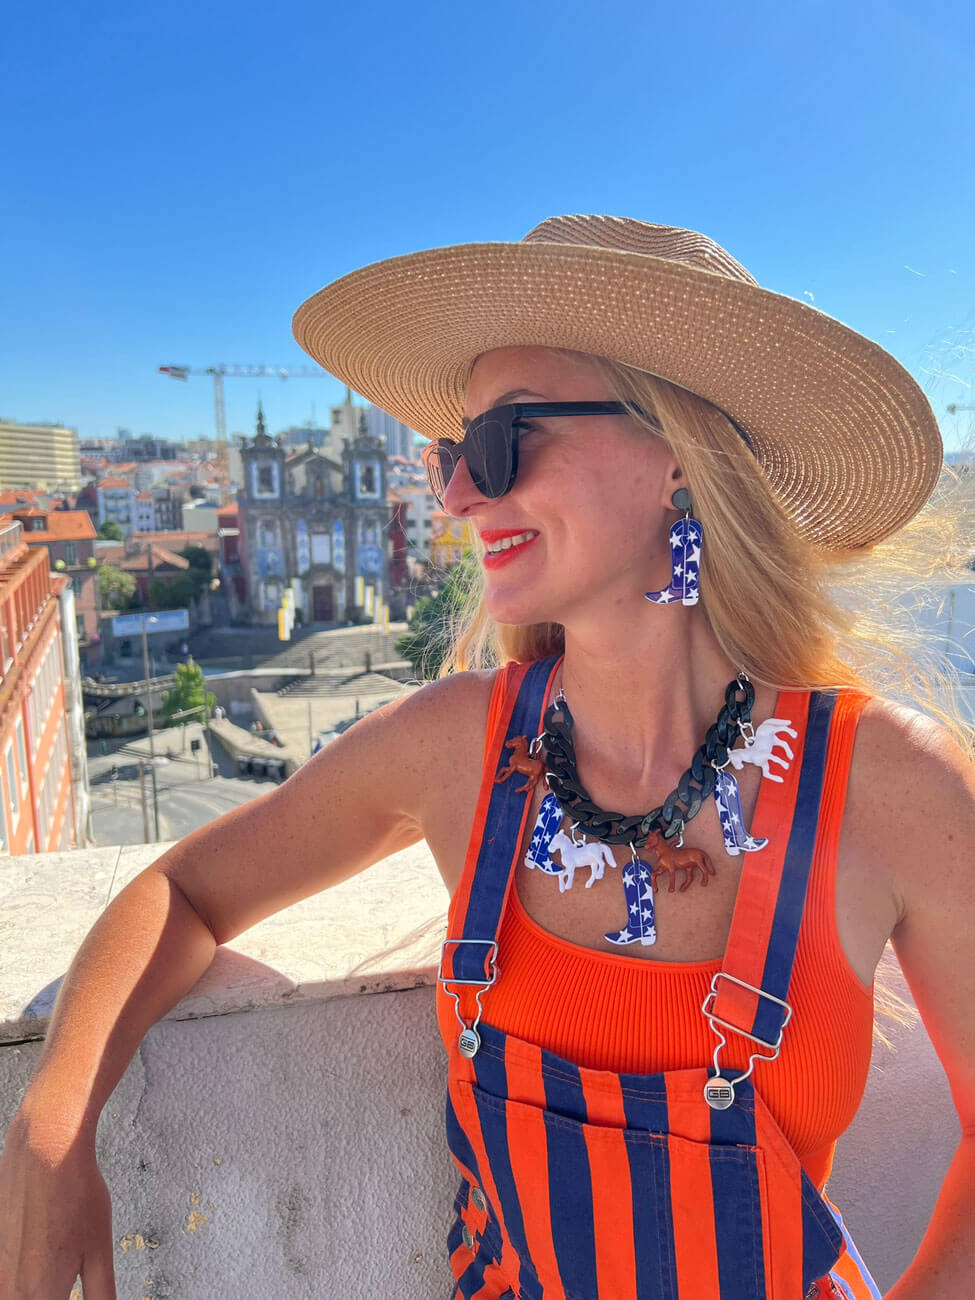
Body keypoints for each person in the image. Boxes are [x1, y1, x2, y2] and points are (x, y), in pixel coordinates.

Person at [2, 215, 973, 1298]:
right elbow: (185, 890)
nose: (461, 494)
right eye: (451, 455)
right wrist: (55, 1119)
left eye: (506, 439)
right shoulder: (456, 748)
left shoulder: (891, 787)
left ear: (678, 457)